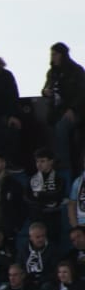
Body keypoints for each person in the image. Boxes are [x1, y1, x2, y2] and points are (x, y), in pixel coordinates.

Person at [47, 43, 85, 188]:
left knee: (62, 127)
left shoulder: (76, 71)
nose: (52, 57)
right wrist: (46, 91)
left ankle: (64, 163)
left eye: (55, 54)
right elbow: (46, 87)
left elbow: (82, 93)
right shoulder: (52, 73)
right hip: (56, 111)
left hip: (76, 111)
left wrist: (73, 109)